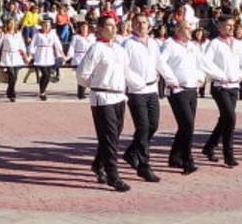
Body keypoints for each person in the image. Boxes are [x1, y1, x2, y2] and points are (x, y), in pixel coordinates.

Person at [159, 20, 225, 174]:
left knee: (185, 126)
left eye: (191, 28)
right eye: (187, 28)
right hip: (177, 90)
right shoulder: (169, 45)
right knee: (188, 125)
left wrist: (216, 76)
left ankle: (174, 156)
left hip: (191, 90)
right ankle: (187, 160)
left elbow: (203, 64)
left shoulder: (192, 47)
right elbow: (161, 63)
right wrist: (171, 79)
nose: (191, 31)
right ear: (178, 29)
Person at [75, 15, 131, 192]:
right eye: (109, 26)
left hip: (119, 97)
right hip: (103, 98)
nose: (113, 29)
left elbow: (126, 72)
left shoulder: (119, 49)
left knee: (113, 135)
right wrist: (97, 86)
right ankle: (112, 175)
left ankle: (98, 163)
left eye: (115, 26)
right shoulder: (96, 49)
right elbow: (82, 74)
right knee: (109, 136)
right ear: (99, 29)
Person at [122, 13, 174, 182]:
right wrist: (135, 82)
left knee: (153, 125)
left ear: (149, 25)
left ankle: (131, 152)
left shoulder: (152, 43)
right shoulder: (127, 44)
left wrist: (171, 79)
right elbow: (124, 67)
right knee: (143, 127)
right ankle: (144, 166)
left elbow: (160, 63)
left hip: (152, 90)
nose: (141, 25)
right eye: (137, 23)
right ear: (132, 25)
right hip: (137, 91)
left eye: (144, 22)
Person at [202, 17, 242, 166]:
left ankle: (209, 146)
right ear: (220, 27)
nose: (230, 28)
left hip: (234, 86)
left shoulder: (238, 44)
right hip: (220, 87)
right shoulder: (214, 44)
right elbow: (206, 63)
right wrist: (220, 76)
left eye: (232, 26)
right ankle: (228, 154)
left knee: (225, 119)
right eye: (227, 25)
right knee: (230, 118)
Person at [0, 19, 29, 102]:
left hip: (16, 57)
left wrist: (25, 56)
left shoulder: (18, 34)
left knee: (15, 76)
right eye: (10, 23)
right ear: (7, 24)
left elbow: (22, 46)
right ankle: (12, 93)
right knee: (12, 74)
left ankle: (9, 90)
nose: (12, 25)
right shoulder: (4, 34)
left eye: (14, 23)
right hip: (7, 57)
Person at [29, 18, 65, 101]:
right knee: (46, 74)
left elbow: (58, 44)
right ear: (42, 25)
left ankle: (42, 91)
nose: (46, 27)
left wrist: (62, 54)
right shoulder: (37, 34)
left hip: (49, 56)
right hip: (40, 56)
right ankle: (42, 92)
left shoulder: (52, 34)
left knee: (47, 76)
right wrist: (31, 55)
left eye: (48, 25)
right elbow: (32, 45)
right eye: (44, 25)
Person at [69, 22, 95, 99]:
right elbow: (72, 47)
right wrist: (69, 56)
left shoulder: (92, 37)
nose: (84, 29)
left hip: (89, 58)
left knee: (89, 76)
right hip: (79, 58)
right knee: (81, 76)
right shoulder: (76, 37)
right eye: (83, 27)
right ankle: (80, 93)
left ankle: (85, 92)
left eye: (86, 27)